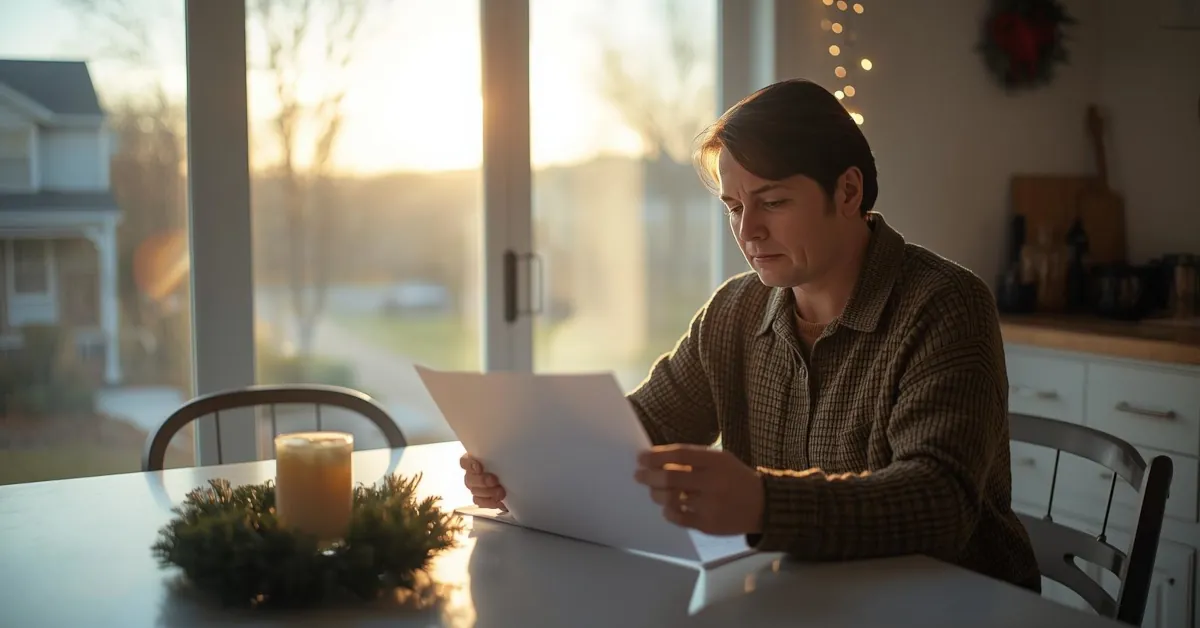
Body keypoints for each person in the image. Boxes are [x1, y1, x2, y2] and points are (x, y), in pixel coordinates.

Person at [460, 78, 1041, 592]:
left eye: (773, 202)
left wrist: (763, 502)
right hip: (805, 598)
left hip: (952, 604)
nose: (747, 230)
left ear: (848, 191)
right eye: (733, 206)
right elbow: (642, 429)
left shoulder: (944, 305)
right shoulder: (737, 309)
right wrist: (528, 459)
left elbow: (937, 503)